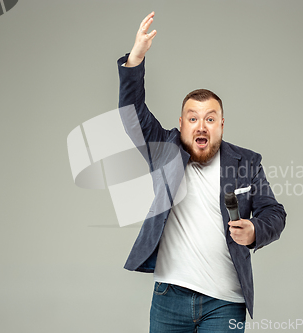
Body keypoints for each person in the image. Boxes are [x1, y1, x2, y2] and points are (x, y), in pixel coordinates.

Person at [117, 12, 287, 333]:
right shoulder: (166, 150)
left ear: (221, 125)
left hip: (225, 302)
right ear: (181, 125)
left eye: (210, 118)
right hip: (169, 296)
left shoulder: (245, 163)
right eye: (192, 118)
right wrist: (135, 59)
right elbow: (132, 114)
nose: (201, 125)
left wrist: (254, 230)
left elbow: (274, 213)